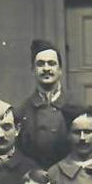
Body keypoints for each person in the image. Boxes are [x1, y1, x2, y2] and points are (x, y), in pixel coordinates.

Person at [14, 39, 73, 169]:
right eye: (40, 64)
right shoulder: (22, 112)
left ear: (60, 70)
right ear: (32, 70)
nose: (46, 68)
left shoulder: (77, 107)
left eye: (51, 64)